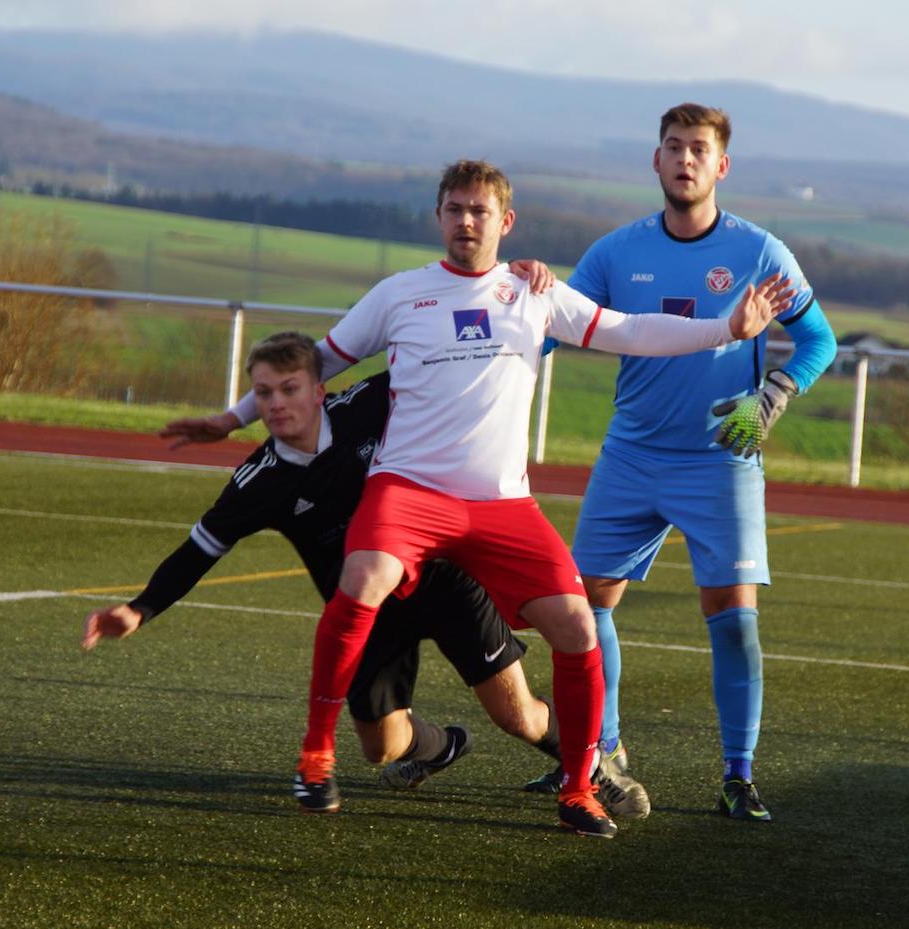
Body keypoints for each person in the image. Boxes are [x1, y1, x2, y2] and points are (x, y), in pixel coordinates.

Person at [230, 159, 794, 838]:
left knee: (578, 625)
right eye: (455, 209)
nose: (467, 221)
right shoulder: (398, 294)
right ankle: (316, 757)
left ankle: (578, 789)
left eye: (480, 211)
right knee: (364, 576)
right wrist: (232, 417)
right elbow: (310, 365)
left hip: (501, 506)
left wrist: (726, 330)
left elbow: (630, 330)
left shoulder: (534, 292)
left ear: (506, 221)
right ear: (439, 217)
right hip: (408, 492)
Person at [81, 332, 623, 810]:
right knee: (380, 747)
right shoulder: (259, 482)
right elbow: (198, 551)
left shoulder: (369, 405)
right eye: (264, 393)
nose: (277, 403)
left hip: (444, 581)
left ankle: (591, 768)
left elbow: (452, 368)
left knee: (517, 716)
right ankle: (444, 747)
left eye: (289, 388)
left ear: (318, 389)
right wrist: (138, 609)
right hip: (367, 613)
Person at [530, 103, 838, 821]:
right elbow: (548, 329)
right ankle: (601, 751)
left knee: (732, 617)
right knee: (584, 605)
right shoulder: (615, 253)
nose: (686, 159)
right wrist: (510, 315)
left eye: (699, 149)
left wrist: (773, 395)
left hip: (720, 461)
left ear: (721, 165)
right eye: (674, 146)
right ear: (656, 160)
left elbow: (819, 340)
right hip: (631, 454)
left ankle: (738, 775)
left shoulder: (761, 252)